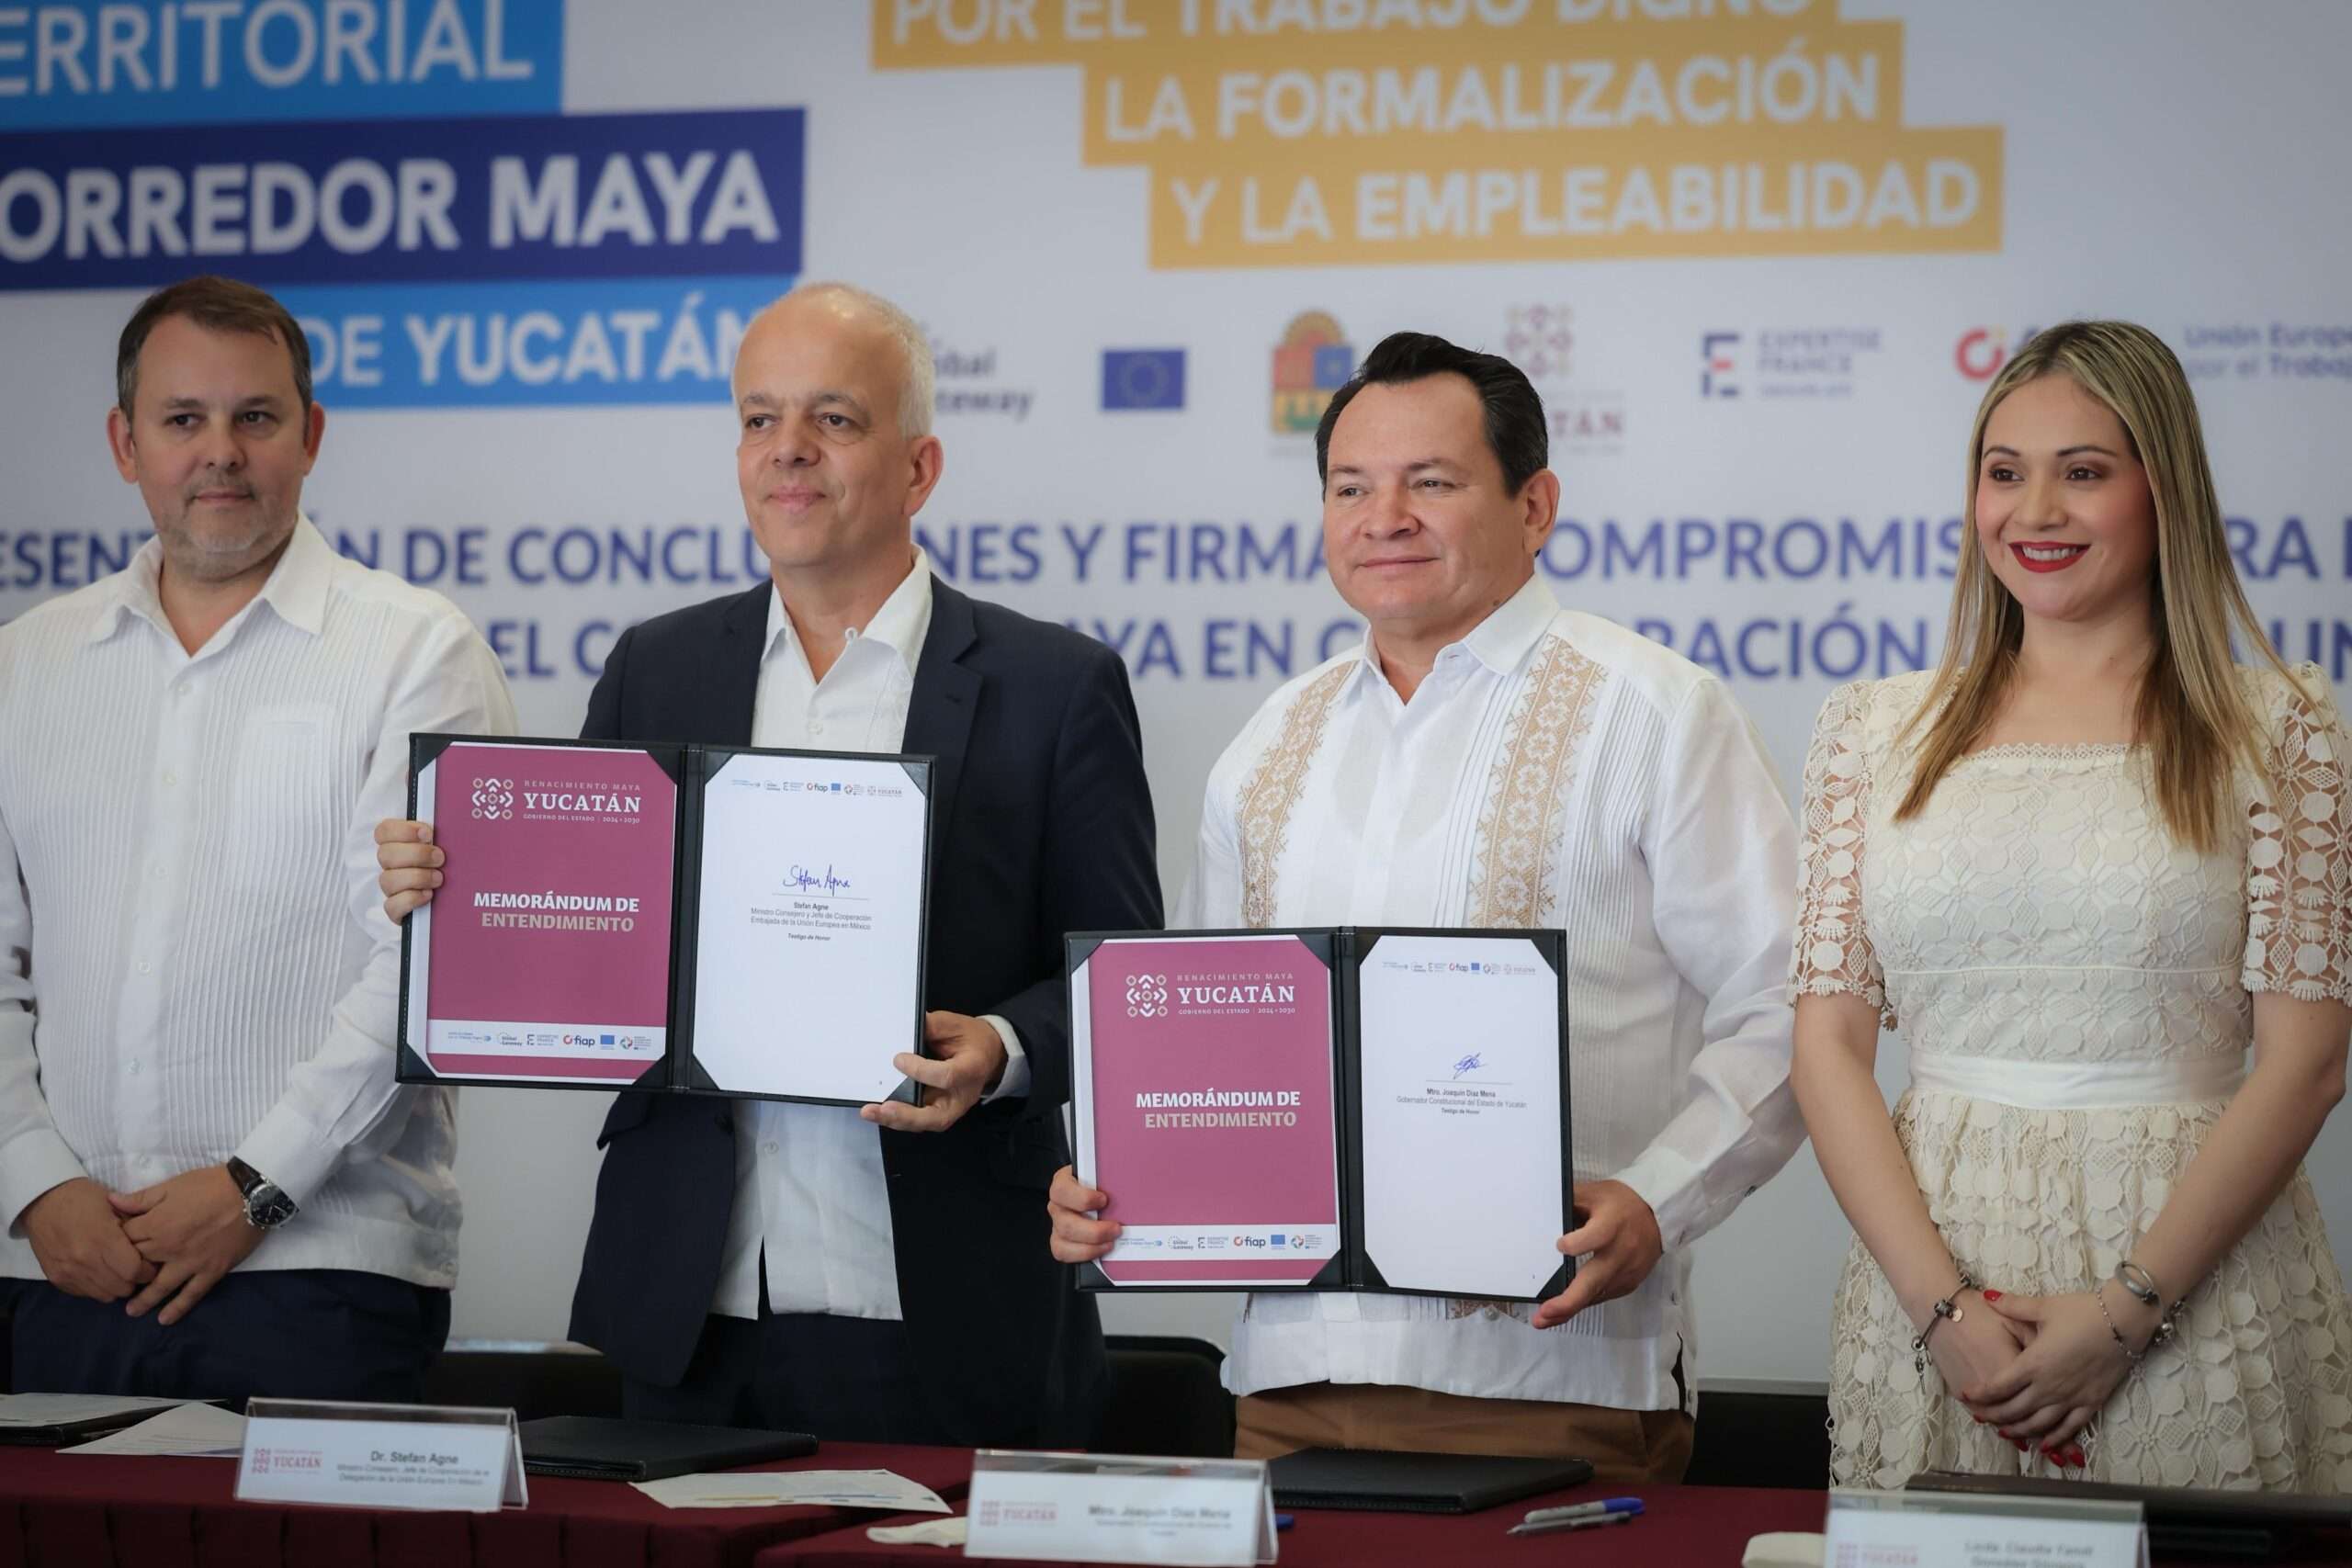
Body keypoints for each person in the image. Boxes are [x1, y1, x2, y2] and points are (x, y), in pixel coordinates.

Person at [375, 282, 1160, 1444]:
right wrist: (455, 894)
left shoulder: (1054, 686)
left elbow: (1123, 976)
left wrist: (1001, 1048)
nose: (788, 448)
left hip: (949, 1303)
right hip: (691, 1307)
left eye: (833, 419)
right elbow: (588, 934)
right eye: (758, 419)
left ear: (919, 467)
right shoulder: (655, 668)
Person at [1048, 332, 1806, 1481]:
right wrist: (1114, 1182)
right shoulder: (1272, 742)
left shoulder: (1653, 714)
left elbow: (1791, 1005)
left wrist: (1659, 1199)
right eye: (1350, 488)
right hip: (1289, 1380)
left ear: (1534, 506)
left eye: (1431, 483)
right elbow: (1196, 1039)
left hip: (1553, 1376)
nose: (1383, 518)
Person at [1789, 320, 2352, 1490]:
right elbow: (1827, 1050)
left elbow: (2306, 1064)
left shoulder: (2278, 729)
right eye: (2004, 472)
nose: (2033, 511)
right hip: (1937, 1286)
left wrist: (2125, 1312)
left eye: (2082, 471)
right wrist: (1945, 1314)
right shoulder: (1872, 729)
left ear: (2163, 490)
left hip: (2195, 1289)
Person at [0, 276, 516, 1401]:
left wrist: (255, 1185)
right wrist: (31, 1182)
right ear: (125, 443)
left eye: (257, 417)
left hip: (319, 1276)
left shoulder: (416, 650)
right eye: (183, 419)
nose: (220, 452)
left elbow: (425, 965)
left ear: (311, 435)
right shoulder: (24, 664)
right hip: (58, 1268)